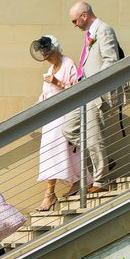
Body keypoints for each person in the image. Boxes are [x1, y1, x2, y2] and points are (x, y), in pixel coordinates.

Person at [62, 1, 124, 194]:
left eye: (75, 20)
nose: (74, 25)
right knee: (69, 128)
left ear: (84, 15)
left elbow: (111, 61)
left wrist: (93, 83)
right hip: (85, 92)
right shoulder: (90, 34)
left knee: (94, 136)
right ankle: (103, 161)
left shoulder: (104, 30)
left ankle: (101, 180)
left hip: (96, 93)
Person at [31, 35, 83, 211]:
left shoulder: (68, 64)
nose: (46, 57)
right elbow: (44, 95)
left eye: (47, 53)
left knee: (56, 152)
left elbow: (76, 89)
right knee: (54, 153)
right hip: (50, 117)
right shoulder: (50, 69)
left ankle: (50, 193)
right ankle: (76, 181)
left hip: (63, 114)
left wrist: (57, 82)